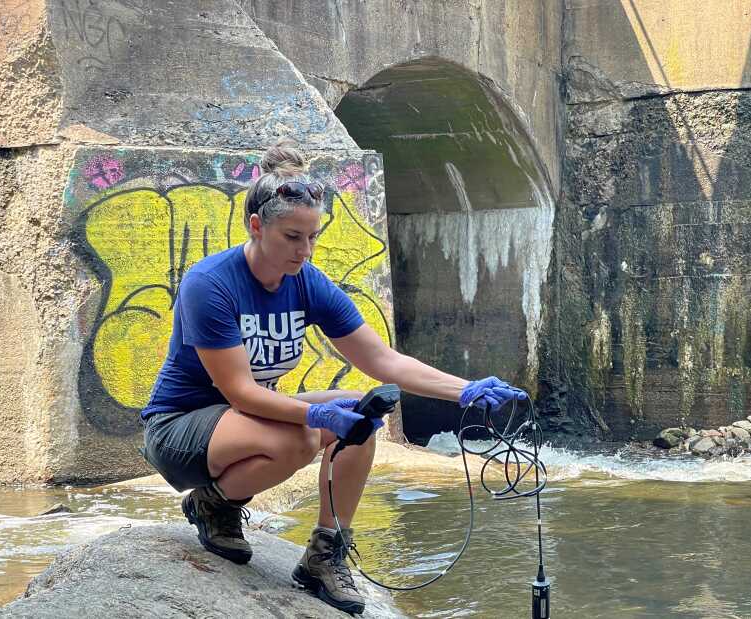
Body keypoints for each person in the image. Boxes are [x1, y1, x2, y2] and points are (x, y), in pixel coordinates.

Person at [139, 138, 527, 614]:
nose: (305, 251)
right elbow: (240, 392)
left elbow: (381, 360)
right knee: (298, 440)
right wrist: (317, 414)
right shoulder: (211, 283)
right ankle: (211, 505)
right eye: (292, 237)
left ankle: (326, 551)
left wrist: (462, 389)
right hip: (181, 427)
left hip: (241, 420)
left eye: (313, 237)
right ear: (257, 227)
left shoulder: (307, 281)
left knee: (361, 412)